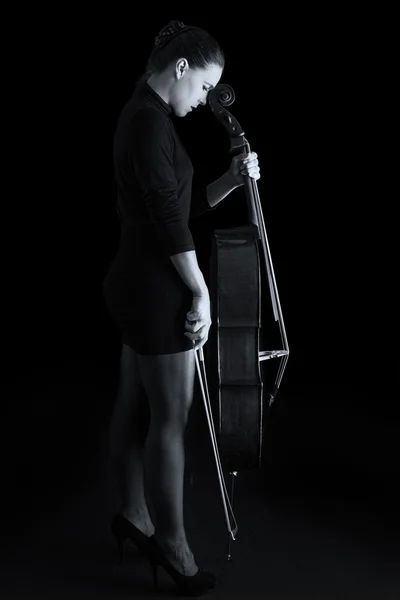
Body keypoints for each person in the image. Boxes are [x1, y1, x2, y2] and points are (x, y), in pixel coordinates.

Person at [102, 19, 260, 595]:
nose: (201, 101)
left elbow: (180, 203)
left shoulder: (145, 116)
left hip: (135, 279)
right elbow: (170, 222)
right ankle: (172, 546)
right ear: (181, 68)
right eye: (202, 87)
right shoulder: (147, 123)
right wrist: (200, 290)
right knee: (170, 420)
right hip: (154, 286)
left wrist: (230, 182)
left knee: (131, 403)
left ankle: (133, 515)